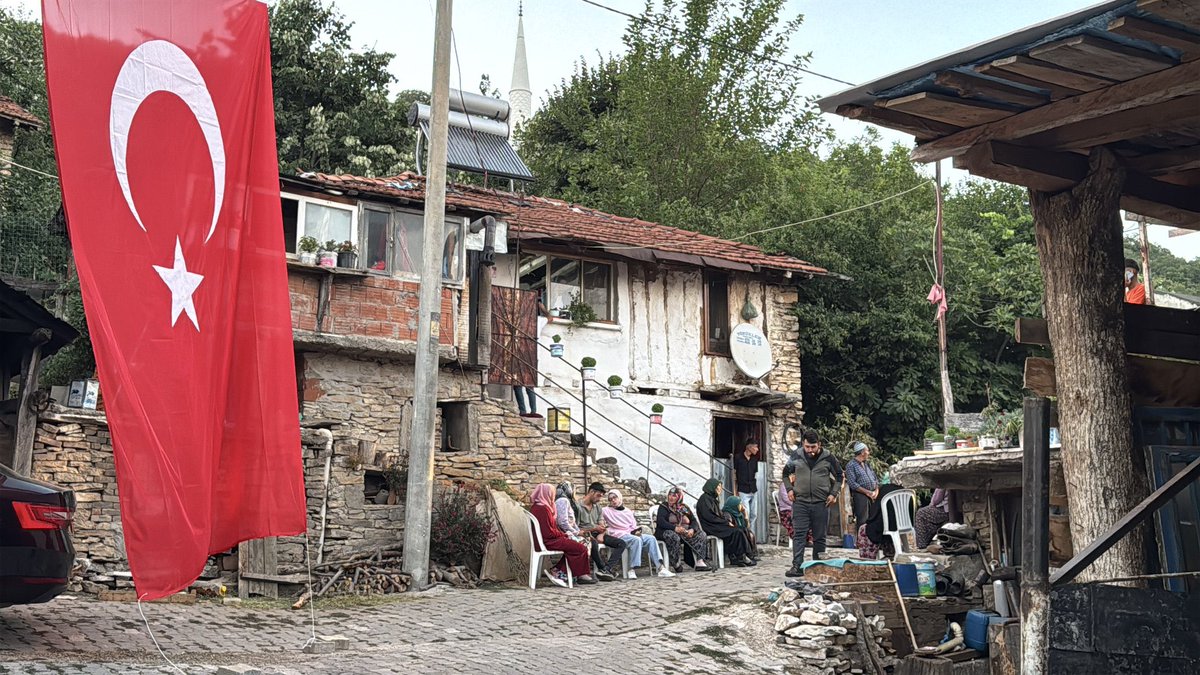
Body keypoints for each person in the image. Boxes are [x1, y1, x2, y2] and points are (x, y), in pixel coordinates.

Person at [783, 430, 843, 577]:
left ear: (819, 445)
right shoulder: (796, 455)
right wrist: (789, 489)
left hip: (822, 503)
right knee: (799, 535)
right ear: (803, 444)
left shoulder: (829, 457)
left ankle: (818, 566)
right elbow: (785, 474)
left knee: (820, 536)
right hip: (800, 502)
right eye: (807, 447)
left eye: (813, 447)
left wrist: (833, 493)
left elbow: (840, 476)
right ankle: (797, 566)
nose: (810, 450)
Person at [529, 483, 595, 587]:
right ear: (546, 494)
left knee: (576, 546)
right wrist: (563, 535)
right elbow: (548, 532)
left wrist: (563, 535)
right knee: (580, 548)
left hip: (545, 539)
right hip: (548, 541)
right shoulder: (543, 509)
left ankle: (558, 571)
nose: (553, 496)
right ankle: (560, 573)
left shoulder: (537, 507)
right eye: (551, 493)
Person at [602, 489, 675, 579]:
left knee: (651, 538)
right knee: (636, 540)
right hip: (619, 535)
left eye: (615, 497)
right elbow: (599, 519)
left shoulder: (627, 511)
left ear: (619, 497)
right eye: (610, 499)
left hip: (630, 533)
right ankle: (632, 569)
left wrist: (636, 532)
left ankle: (661, 568)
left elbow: (633, 526)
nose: (613, 500)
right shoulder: (606, 511)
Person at [555, 482, 615, 581]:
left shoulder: (568, 501)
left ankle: (594, 571)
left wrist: (600, 531)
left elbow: (571, 523)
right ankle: (583, 573)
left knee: (619, 543)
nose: (574, 493)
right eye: (573, 490)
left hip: (575, 532)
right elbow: (564, 523)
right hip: (566, 534)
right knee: (587, 543)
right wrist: (578, 532)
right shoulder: (564, 501)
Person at [695, 479, 755, 567]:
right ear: (712, 487)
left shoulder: (711, 499)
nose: (720, 489)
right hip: (711, 527)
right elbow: (710, 517)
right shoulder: (704, 500)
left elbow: (718, 515)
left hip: (717, 525)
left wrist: (725, 521)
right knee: (737, 531)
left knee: (741, 529)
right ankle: (741, 557)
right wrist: (726, 523)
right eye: (718, 487)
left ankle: (740, 556)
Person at [655, 486, 713, 573]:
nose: (671, 497)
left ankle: (699, 562)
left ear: (679, 497)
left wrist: (692, 530)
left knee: (702, 534)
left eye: (674, 496)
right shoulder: (664, 506)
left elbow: (693, 520)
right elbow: (661, 521)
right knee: (673, 536)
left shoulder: (684, 507)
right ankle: (675, 563)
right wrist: (675, 528)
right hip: (667, 531)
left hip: (684, 532)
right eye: (670, 495)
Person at [577, 482, 627, 580]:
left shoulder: (597, 507)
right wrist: (594, 529)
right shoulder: (578, 506)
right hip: (584, 534)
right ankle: (603, 568)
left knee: (621, 543)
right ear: (591, 492)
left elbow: (602, 524)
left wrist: (602, 533)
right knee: (594, 543)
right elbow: (576, 528)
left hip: (597, 533)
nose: (599, 499)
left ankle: (607, 569)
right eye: (598, 495)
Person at [845, 441, 879, 527]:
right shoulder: (851, 465)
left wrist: (876, 491)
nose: (869, 452)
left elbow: (875, 478)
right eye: (867, 450)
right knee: (863, 522)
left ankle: (872, 540)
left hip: (873, 495)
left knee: (874, 520)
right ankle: (862, 540)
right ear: (862, 452)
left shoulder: (867, 464)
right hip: (861, 496)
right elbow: (852, 483)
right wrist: (867, 492)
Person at [733, 439, 761, 534]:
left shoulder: (754, 459)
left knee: (754, 514)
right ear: (749, 447)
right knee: (746, 514)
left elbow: (755, 474)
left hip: (753, 489)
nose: (757, 449)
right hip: (743, 490)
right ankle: (745, 534)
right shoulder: (738, 458)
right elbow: (734, 475)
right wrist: (735, 490)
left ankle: (751, 534)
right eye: (755, 447)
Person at [722, 494, 759, 560]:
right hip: (733, 537)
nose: (742, 506)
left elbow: (747, 527)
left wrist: (746, 515)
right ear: (734, 504)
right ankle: (748, 555)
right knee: (745, 532)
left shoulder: (739, 514)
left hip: (739, 533)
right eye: (739, 504)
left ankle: (752, 554)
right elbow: (730, 526)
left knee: (750, 533)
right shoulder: (727, 514)